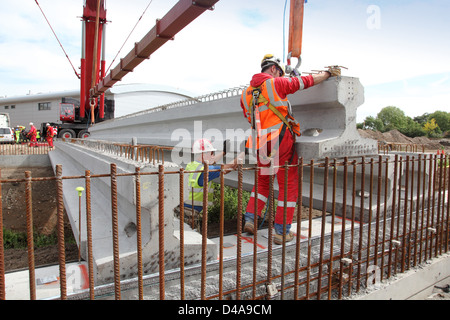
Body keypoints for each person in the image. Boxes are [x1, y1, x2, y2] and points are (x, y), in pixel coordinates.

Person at [240, 54, 339, 245]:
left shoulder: (246, 93)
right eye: (280, 71)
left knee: (262, 182)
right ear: (275, 69)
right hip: (280, 138)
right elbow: (306, 81)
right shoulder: (276, 84)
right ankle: (281, 232)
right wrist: (327, 73)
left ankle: (250, 219)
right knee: (288, 185)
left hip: (260, 141)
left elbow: (249, 116)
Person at [184, 138, 243, 214]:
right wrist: (243, 152)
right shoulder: (205, 170)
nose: (212, 156)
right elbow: (230, 167)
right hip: (189, 212)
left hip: (184, 207)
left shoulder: (192, 165)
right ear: (203, 154)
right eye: (212, 153)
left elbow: (211, 162)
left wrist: (224, 152)